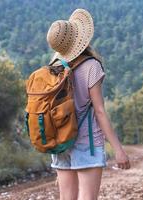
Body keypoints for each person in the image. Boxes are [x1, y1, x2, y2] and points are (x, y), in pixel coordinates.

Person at [46, 8, 130, 200]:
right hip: (87, 142)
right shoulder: (91, 66)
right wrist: (118, 150)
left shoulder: (54, 66)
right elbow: (99, 111)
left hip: (60, 142)